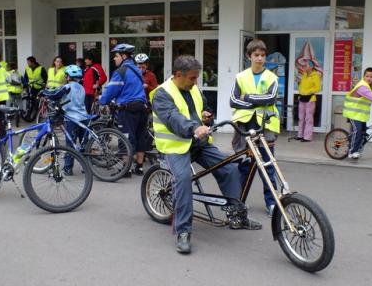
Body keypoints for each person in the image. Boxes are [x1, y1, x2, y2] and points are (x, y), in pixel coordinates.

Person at [152, 55, 261, 254]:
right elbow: (172, 118)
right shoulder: (162, 94)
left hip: (199, 142)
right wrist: (194, 127)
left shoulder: (192, 88)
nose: (196, 82)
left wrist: (207, 116)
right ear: (178, 75)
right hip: (175, 146)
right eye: (193, 78)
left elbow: (203, 107)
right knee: (183, 180)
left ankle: (237, 216)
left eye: (196, 78)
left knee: (229, 169)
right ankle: (183, 231)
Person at [230, 39, 280, 217]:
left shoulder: (272, 77)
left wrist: (247, 97)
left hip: (265, 126)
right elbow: (233, 101)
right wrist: (257, 100)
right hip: (244, 125)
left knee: (267, 166)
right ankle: (239, 201)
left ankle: (272, 203)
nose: (260, 59)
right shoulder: (240, 76)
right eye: (256, 55)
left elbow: (271, 99)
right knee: (244, 165)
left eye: (263, 55)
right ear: (248, 56)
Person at [99, 44, 148, 176]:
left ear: (124, 56)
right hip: (143, 108)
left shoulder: (121, 71)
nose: (114, 59)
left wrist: (102, 100)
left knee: (126, 138)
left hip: (128, 109)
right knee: (140, 137)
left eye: (116, 56)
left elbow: (111, 91)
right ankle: (139, 167)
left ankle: (126, 170)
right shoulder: (137, 70)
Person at [343, 67, 372, 159]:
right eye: (367, 76)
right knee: (358, 131)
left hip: (361, 115)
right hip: (353, 113)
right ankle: (352, 151)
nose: (369, 78)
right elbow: (371, 97)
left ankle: (357, 148)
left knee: (363, 133)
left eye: (371, 76)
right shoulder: (362, 86)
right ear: (363, 76)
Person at [60, 65, 90, 175]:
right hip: (83, 118)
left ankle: (68, 168)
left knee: (70, 144)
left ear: (69, 77)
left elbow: (57, 95)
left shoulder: (67, 87)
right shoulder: (81, 87)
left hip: (72, 119)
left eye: (66, 75)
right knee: (84, 143)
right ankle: (86, 167)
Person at [296, 60, 321, 142]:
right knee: (301, 118)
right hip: (302, 98)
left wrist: (308, 91)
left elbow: (318, 88)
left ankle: (307, 137)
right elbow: (301, 86)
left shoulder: (315, 76)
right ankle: (300, 135)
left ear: (310, 67)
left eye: (305, 66)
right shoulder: (304, 75)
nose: (303, 67)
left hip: (310, 98)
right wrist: (300, 91)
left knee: (308, 119)